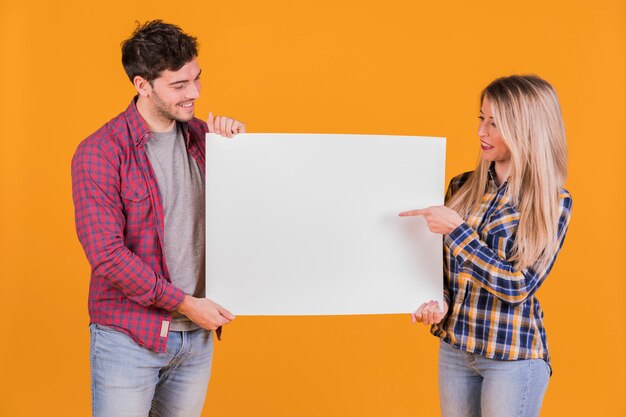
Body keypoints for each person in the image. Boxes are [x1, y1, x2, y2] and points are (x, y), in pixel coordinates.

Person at [71, 20, 245, 417]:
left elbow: (250, 220)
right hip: (127, 338)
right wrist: (185, 302)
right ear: (142, 85)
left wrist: (240, 155)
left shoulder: (207, 140)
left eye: (196, 80)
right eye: (179, 86)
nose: (195, 94)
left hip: (195, 338)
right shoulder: (100, 152)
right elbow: (107, 255)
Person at [400, 75, 572, 417]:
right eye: (482, 118)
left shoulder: (552, 202)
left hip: (511, 356)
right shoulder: (462, 187)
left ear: (526, 129)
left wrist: (459, 230)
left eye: (495, 123)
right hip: (456, 349)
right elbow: (448, 272)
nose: (482, 131)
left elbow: (517, 286)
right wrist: (440, 303)